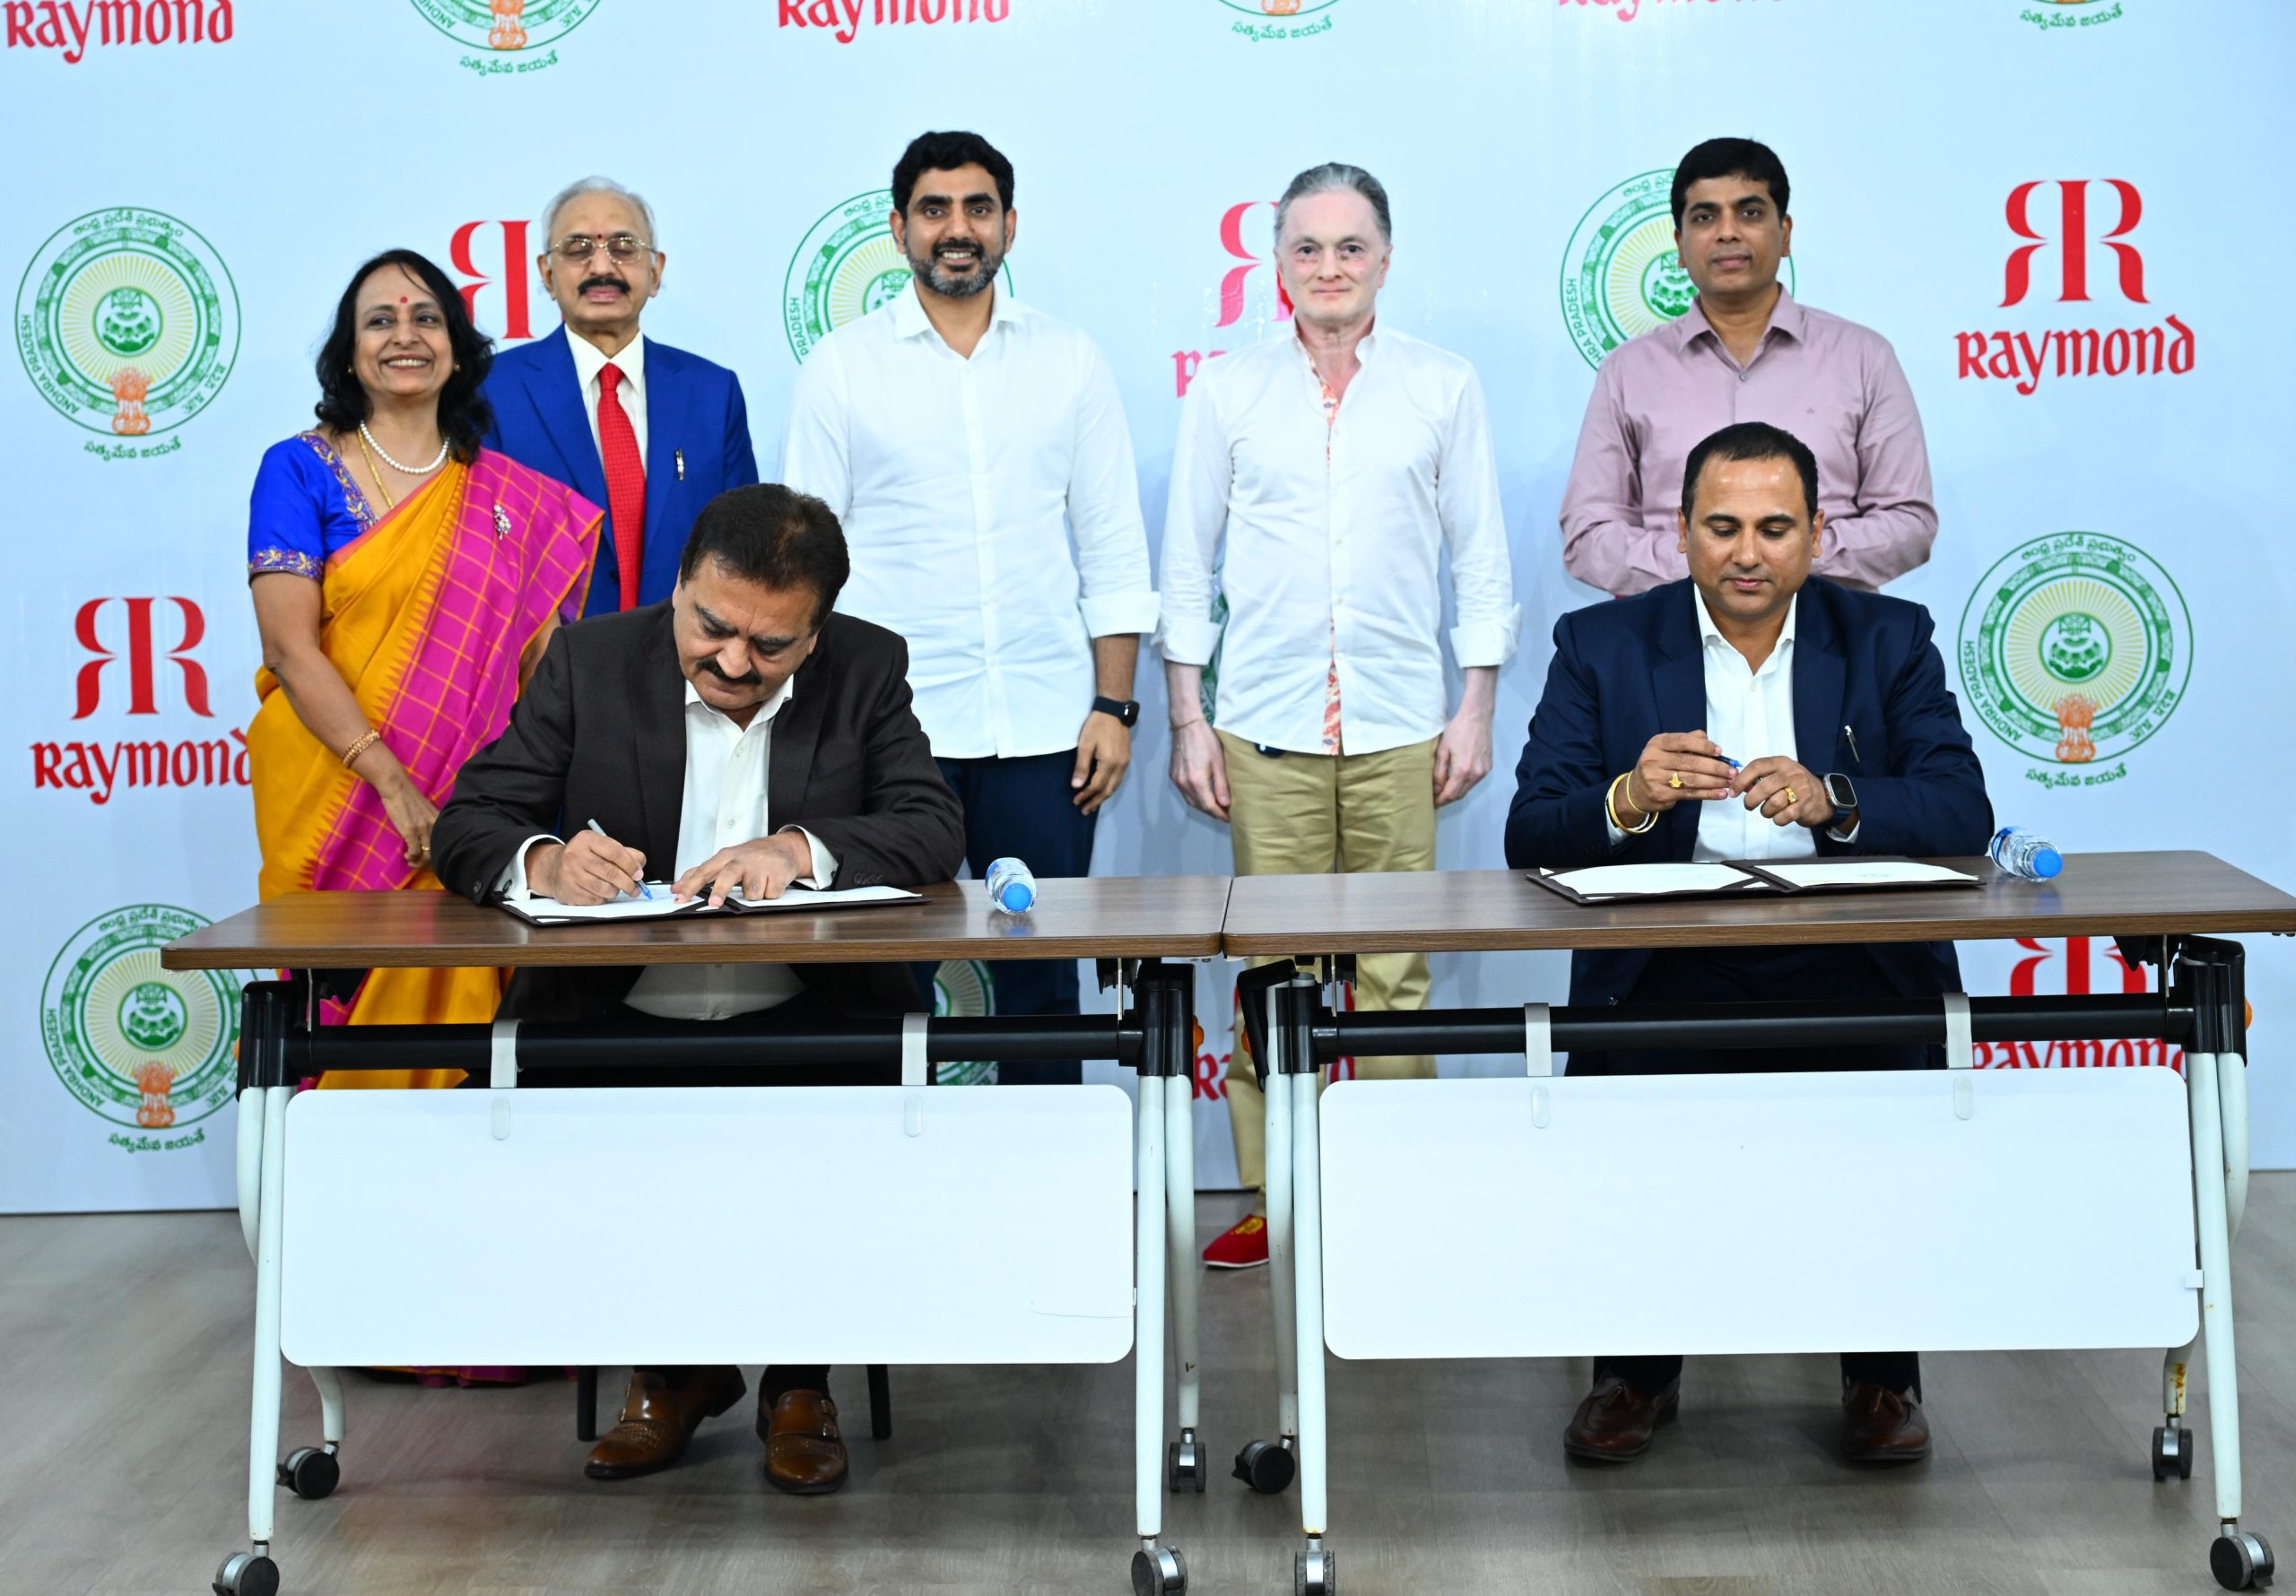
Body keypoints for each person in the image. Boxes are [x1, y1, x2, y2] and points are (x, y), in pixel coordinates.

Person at [430, 483, 965, 1493]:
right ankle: (675, 1373)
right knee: (563, 1138)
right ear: (677, 586)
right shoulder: (590, 660)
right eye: (711, 628)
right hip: (614, 1017)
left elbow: (933, 827)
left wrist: (798, 850)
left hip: (814, 1016)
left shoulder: (866, 667)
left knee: (843, 1136)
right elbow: (471, 822)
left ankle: (799, 1385)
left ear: (817, 633)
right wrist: (544, 861)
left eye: (771, 646)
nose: (733, 663)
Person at [1507, 421, 1993, 1465]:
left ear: (1816, 534)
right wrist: (1628, 796)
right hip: (1665, 959)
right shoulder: (1601, 645)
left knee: (1876, 1129)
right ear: (1680, 531)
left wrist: (1837, 799)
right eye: (1721, 526)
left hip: (1848, 955)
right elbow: (1531, 829)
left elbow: (1961, 808)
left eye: (1774, 528)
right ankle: (1633, 1375)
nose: (1746, 552)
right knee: (1641, 1145)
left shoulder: (1888, 637)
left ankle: (1881, 1376)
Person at [1159, 162, 1518, 1268]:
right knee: (1275, 972)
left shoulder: (1441, 386)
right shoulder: (1226, 390)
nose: (1329, 267)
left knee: (1395, 972)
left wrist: (1474, 706)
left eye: (1350, 247)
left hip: (1402, 723)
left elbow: (1481, 556)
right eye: (1307, 248)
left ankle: (1396, 1189)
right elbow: (1185, 562)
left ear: (1385, 259)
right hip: (1263, 727)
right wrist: (1186, 716)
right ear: (1275, 262)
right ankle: (1274, 1197)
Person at [782, 130, 1158, 1087]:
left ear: (1009, 226)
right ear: (899, 227)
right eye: (935, 209)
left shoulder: (1069, 360)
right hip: (891, 731)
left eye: (978, 209)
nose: (958, 229)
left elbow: (1113, 548)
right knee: (885, 978)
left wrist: (1113, 707)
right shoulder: (843, 367)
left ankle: (1054, 1166)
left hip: (1045, 727)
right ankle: (900, 1170)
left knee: (1042, 980)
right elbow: (805, 566)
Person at [245, 247, 600, 1083]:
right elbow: (288, 648)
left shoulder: (514, 498)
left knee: (471, 1032)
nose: (405, 336)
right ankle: (328, 1158)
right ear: (349, 353)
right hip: (333, 797)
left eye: (426, 319)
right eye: (381, 321)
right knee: (332, 1020)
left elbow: (543, 681)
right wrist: (394, 784)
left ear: (458, 349)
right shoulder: (298, 469)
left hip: (468, 811)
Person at [1560, 137, 1935, 597]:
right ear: (1680, 244)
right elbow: (1588, 536)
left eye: (1750, 212)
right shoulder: (1628, 371)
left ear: (1786, 233)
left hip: (1831, 629)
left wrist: (1792, 557)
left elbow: (1909, 523)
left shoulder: (1863, 358)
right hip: (1671, 630)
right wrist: (1707, 562)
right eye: (1705, 217)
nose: (1727, 232)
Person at [483, 176, 759, 614]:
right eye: (577, 248)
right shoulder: (493, 391)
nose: (601, 267)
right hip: (547, 651)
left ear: (656, 271)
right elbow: (481, 553)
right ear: (547, 274)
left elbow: (743, 545)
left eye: (624, 247)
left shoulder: (711, 392)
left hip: (683, 648)